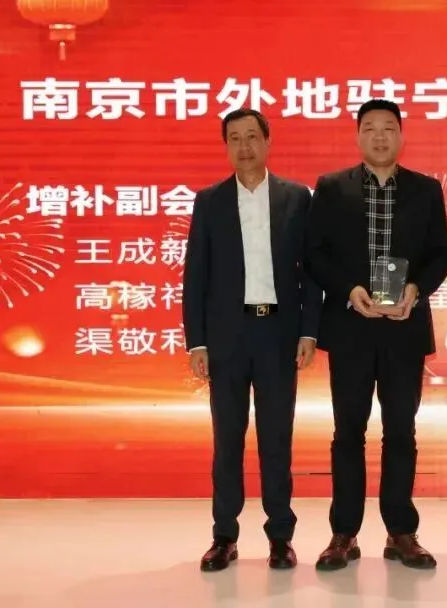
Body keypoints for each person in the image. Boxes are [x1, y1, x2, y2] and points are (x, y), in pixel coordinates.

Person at [305, 98, 447, 571]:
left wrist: (415, 288)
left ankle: (401, 531)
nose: (380, 136)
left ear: (401, 135)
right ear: (358, 136)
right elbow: (315, 253)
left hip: (404, 328)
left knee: (401, 431)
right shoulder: (332, 188)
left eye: (389, 127)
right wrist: (349, 289)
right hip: (351, 327)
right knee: (348, 431)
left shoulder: (425, 190)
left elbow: (440, 253)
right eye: (370, 128)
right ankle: (343, 533)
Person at [182, 108, 321, 572]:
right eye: (235, 138)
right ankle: (224, 536)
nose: (244, 147)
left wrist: (308, 329)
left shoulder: (296, 197)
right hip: (227, 337)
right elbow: (195, 276)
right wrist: (197, 342)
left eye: (252, 137)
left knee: (276, 439)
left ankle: (280, 536)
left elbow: (310, 273)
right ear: (226, 146)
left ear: (268, 141)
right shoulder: (210, 201)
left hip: (278, 334)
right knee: (228, 440)